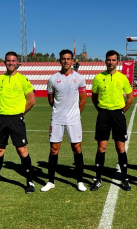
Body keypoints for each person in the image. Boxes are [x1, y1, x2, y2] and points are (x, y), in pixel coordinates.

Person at [0, 51, 36, 194]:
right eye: (8, 61)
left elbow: (32, 100)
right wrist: (2, 110)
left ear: (17, 63)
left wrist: (21, 113)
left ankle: (29, 181)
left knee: (22, 150)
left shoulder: (23, 79)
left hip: (16, 119)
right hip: (1, 119)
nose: (11, 63)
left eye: (13, 61)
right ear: (5, 62)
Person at [41, 50, 87, 192]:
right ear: (60, 61)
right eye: (63, 59)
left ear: (73, 61)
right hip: (57, 118)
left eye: (68, 59)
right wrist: (59, 111)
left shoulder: (79, 78)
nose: (66, 61)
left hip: (74, 119)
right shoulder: (53, 79)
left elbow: (83, 99)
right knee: (54, 149)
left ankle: (79, 181)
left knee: (77, 148)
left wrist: (75, 114)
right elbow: (51, 100)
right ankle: (50, 181)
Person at [90, 50, 134, 191]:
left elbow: (130, 98)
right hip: (103, 115)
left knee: (120, 148)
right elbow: (94, 98)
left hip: (118, 115)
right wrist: (101, 111)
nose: (111, 62)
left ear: (117, 61)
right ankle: (98, 179)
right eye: (109, 60)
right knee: (101, 148)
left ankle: (125, 178)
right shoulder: (98, 78)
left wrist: (121, 112)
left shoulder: (122, 78)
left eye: (113, 60)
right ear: (105, 61)